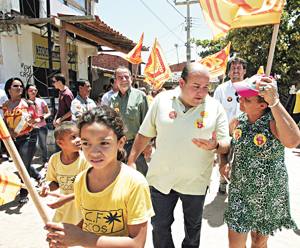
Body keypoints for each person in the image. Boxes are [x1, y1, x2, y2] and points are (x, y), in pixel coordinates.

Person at [127, 63, 231, 248]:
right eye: (196, 86)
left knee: (192, 230)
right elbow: (144, 134)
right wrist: (131, 161)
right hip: (161, 179)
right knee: (159, 227)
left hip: (196, 182)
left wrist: (216, 145)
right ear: (182, 83)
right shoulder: (162, 101)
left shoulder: (215, 108)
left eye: (206, 87)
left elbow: (226, 144)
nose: (202, 92)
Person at [45, 106, 154, 247]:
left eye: (104, 143)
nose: (94, 152)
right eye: (86, 143)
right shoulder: (80, 180)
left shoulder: (135, 183)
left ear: (120, 143)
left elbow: (137, 243)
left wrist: (81, 238)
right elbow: (89, 221)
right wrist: (65, 237)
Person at [220, 77, 300, 248]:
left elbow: (293, 141)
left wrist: (275, 102)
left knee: (258, 241)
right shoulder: (238, 121)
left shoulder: (273, 122)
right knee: (235, 241)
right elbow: (228, 145)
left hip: (267, 194)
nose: (240, 99)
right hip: (239, 192)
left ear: (262, 105)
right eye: (240, 96)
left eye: (246, 99)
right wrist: (224, 161)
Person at [40, 121, 89, 224]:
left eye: (79, 136)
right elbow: (55, 183)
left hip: (83, 213)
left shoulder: (85, 160)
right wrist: (48, 187)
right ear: (60, 143)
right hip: (64, 211)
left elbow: (90, 190)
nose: (79, 140)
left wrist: (67, 199)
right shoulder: (54, 159)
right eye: (73, 137)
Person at [3, 77, 42, 204]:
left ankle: (24, 193)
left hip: (28, 138)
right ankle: (37, 175)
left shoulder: (28, 104)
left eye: (20, 86)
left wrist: (32, 120)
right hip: (12, 140)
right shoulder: (5, 106)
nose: (19, 88)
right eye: (15, 86)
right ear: (9, 89)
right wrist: (9, 132)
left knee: (22, 167)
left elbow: (37, 119)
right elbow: (4, 122)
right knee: (22, 164)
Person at [214, 57, 247, 194]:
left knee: (241, 160)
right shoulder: (221, 89)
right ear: (228, 72)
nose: (236, 71)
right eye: (233, 68)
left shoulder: (249, 87)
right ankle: (222, 181)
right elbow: (214, 110)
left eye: (239, 68)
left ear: (244, 71)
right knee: (223, 159)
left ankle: (238, 187)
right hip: (225, 133)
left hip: (244, 132)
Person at [110, 66, 150, 176]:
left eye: (126, 77)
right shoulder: (112, 99)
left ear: (131, 79)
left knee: (140, 176)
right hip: (117, 145)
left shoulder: (140, 96)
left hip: (136, 144)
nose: (123, 80)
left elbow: (147, 122)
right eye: (120, 77)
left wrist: (147, 145)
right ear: (115, 81)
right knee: (120, 176)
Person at [26, 83, 51, 165]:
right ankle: (29, 161)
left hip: (42, 126)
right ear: (27, 91)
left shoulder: (41, 101)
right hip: (30, 128)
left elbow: (48, 113)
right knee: (33, 145)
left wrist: (40, 118)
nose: (33, 92)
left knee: (43, 144)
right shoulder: (24, 103)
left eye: (35, 90)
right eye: (31, 90)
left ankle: (45, 160)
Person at [0, 87, 8, 160]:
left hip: (2, 119)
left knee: (5, 137)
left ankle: (7, 153)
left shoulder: (2, 92)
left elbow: (7, 104)